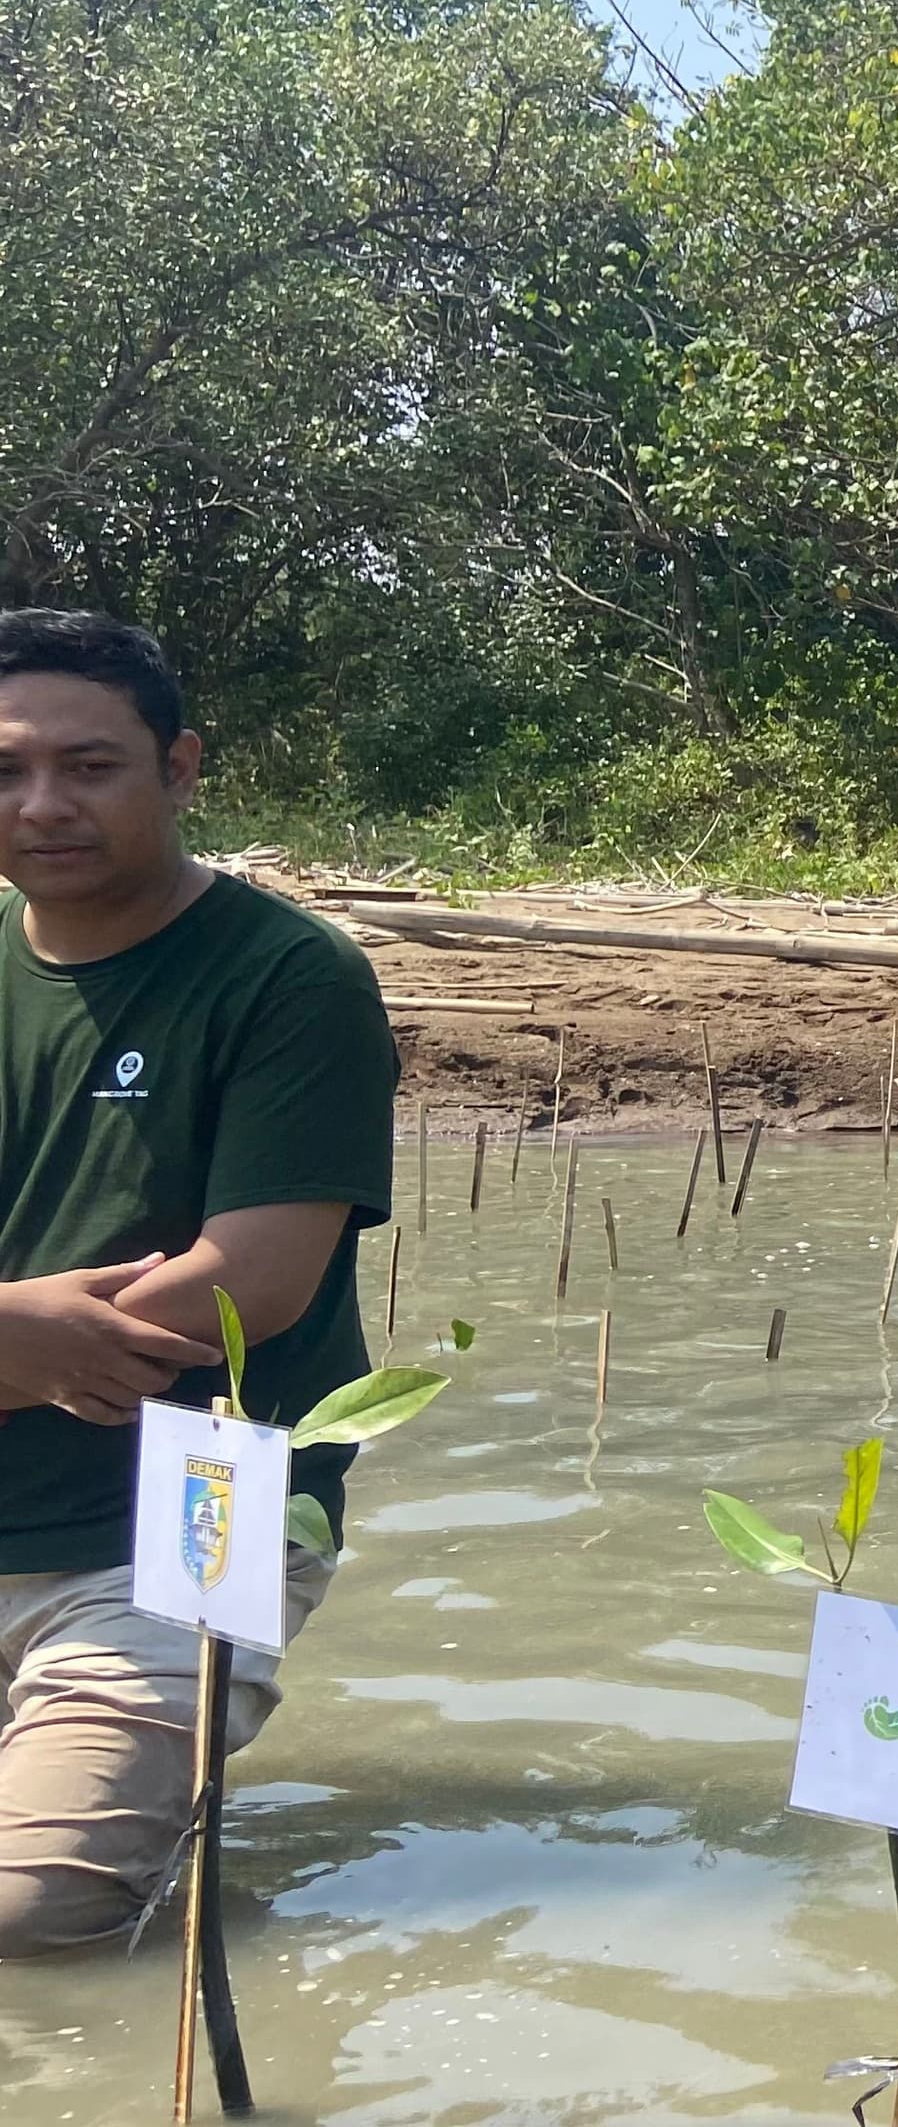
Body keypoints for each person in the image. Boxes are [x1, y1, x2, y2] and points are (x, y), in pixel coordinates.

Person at [0, 609, 398, 1959]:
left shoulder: (289, 976)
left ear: (181, 767)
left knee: (32, 1919)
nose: (42, 804)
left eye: (90, 765)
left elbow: (253, 1285)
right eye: (5, 770)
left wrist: (36, 1345)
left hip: (194, 1515)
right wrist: (10, 1340)